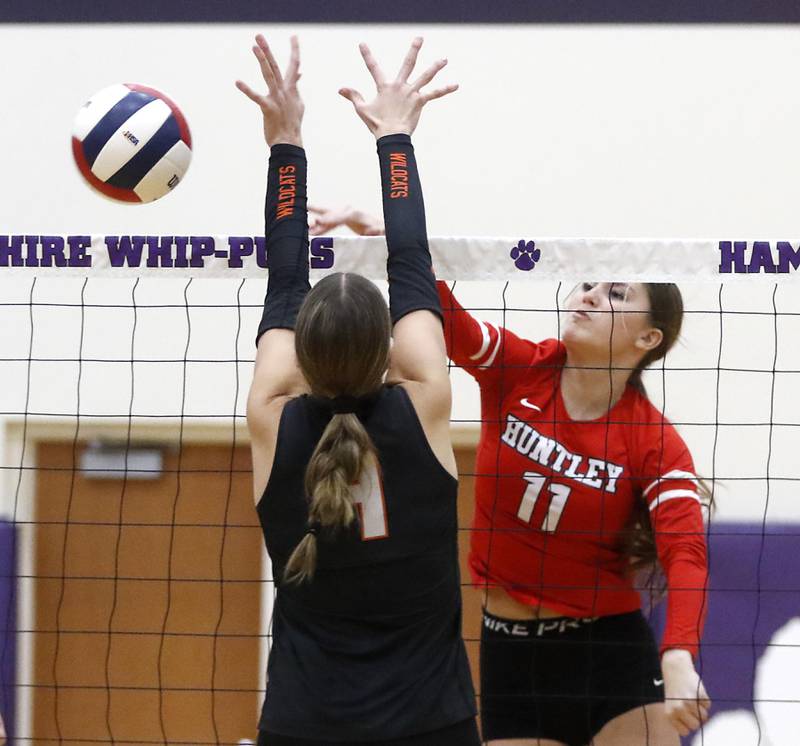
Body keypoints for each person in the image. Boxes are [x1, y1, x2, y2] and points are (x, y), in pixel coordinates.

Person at [307, 206, 712, 745]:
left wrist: (679, 654)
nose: (588, 294)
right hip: (512, 653)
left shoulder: (654, 442)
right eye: (588, 283)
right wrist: (396, 238)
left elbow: (686, 553)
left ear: (649, 339)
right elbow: (452, 322)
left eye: (616, 294)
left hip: (610, 654)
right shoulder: (521, 369)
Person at [238, 34, 479, 745]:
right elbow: (411, 257)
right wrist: (394, 136)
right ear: (390, 351)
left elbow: (286, 282)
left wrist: (286, 141)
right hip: (429, 725)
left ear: (299, 355)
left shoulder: (271, 420)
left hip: (304, 723)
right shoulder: (426, 400)